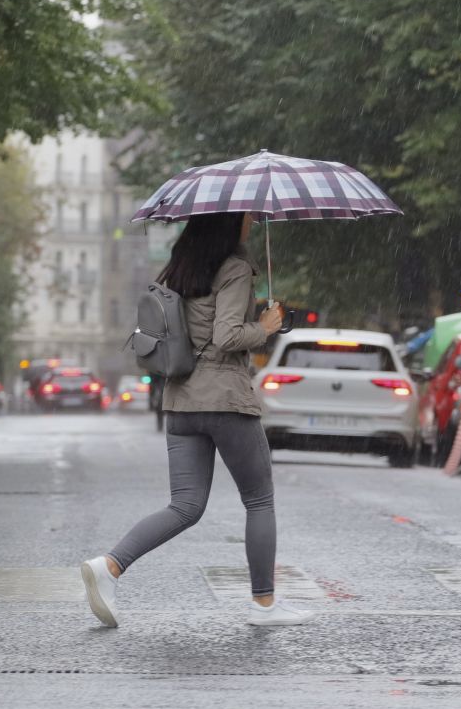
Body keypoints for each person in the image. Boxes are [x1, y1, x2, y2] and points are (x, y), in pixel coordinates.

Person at [80, 211, 312, 628]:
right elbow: (226, 337)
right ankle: (264, 605)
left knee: (184, 505)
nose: (253, 222)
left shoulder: (180, 267)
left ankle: (110, 565)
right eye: (247, 217)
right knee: (259, 499)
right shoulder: (236, 267)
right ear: (228, 222)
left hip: (181, 400)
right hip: (224, 398)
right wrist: (264, 326)